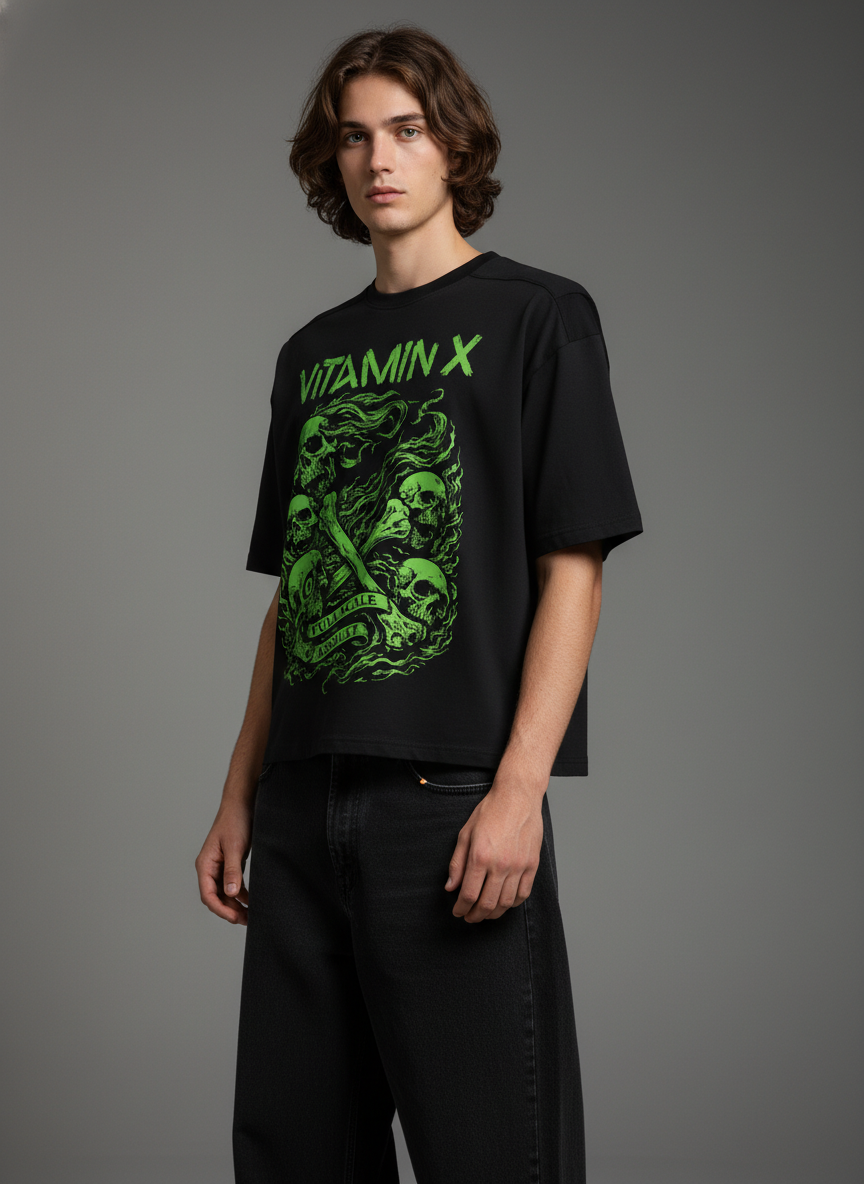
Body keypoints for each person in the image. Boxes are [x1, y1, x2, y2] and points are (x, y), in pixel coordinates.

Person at [195, 23, 642, 1184]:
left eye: (406, 129)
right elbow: (297, 594)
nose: (379, 158)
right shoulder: (310, 355)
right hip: (301, 804)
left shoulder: (539, 317)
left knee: (493, 1156)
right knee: (295, 1156)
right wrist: (240, 793)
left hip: (448, 803)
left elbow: (573, 567)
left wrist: (519, 790)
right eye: (355, 137)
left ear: (455, 146)